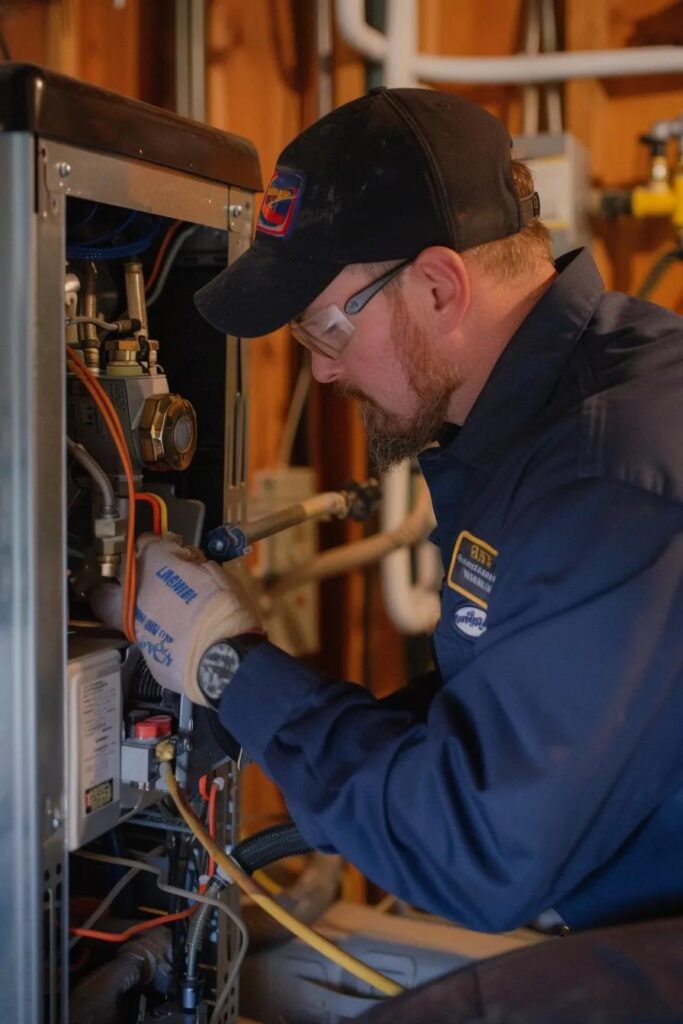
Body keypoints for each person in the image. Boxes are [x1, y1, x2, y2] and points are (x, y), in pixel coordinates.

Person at [100, 88, 683, 962]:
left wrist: (228, 664)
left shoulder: (603, 480)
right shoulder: (566, 407)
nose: (323, 373)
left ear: (440, 286)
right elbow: (503, 712)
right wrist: (257, 709)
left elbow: (476, 849)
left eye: (324, 329)